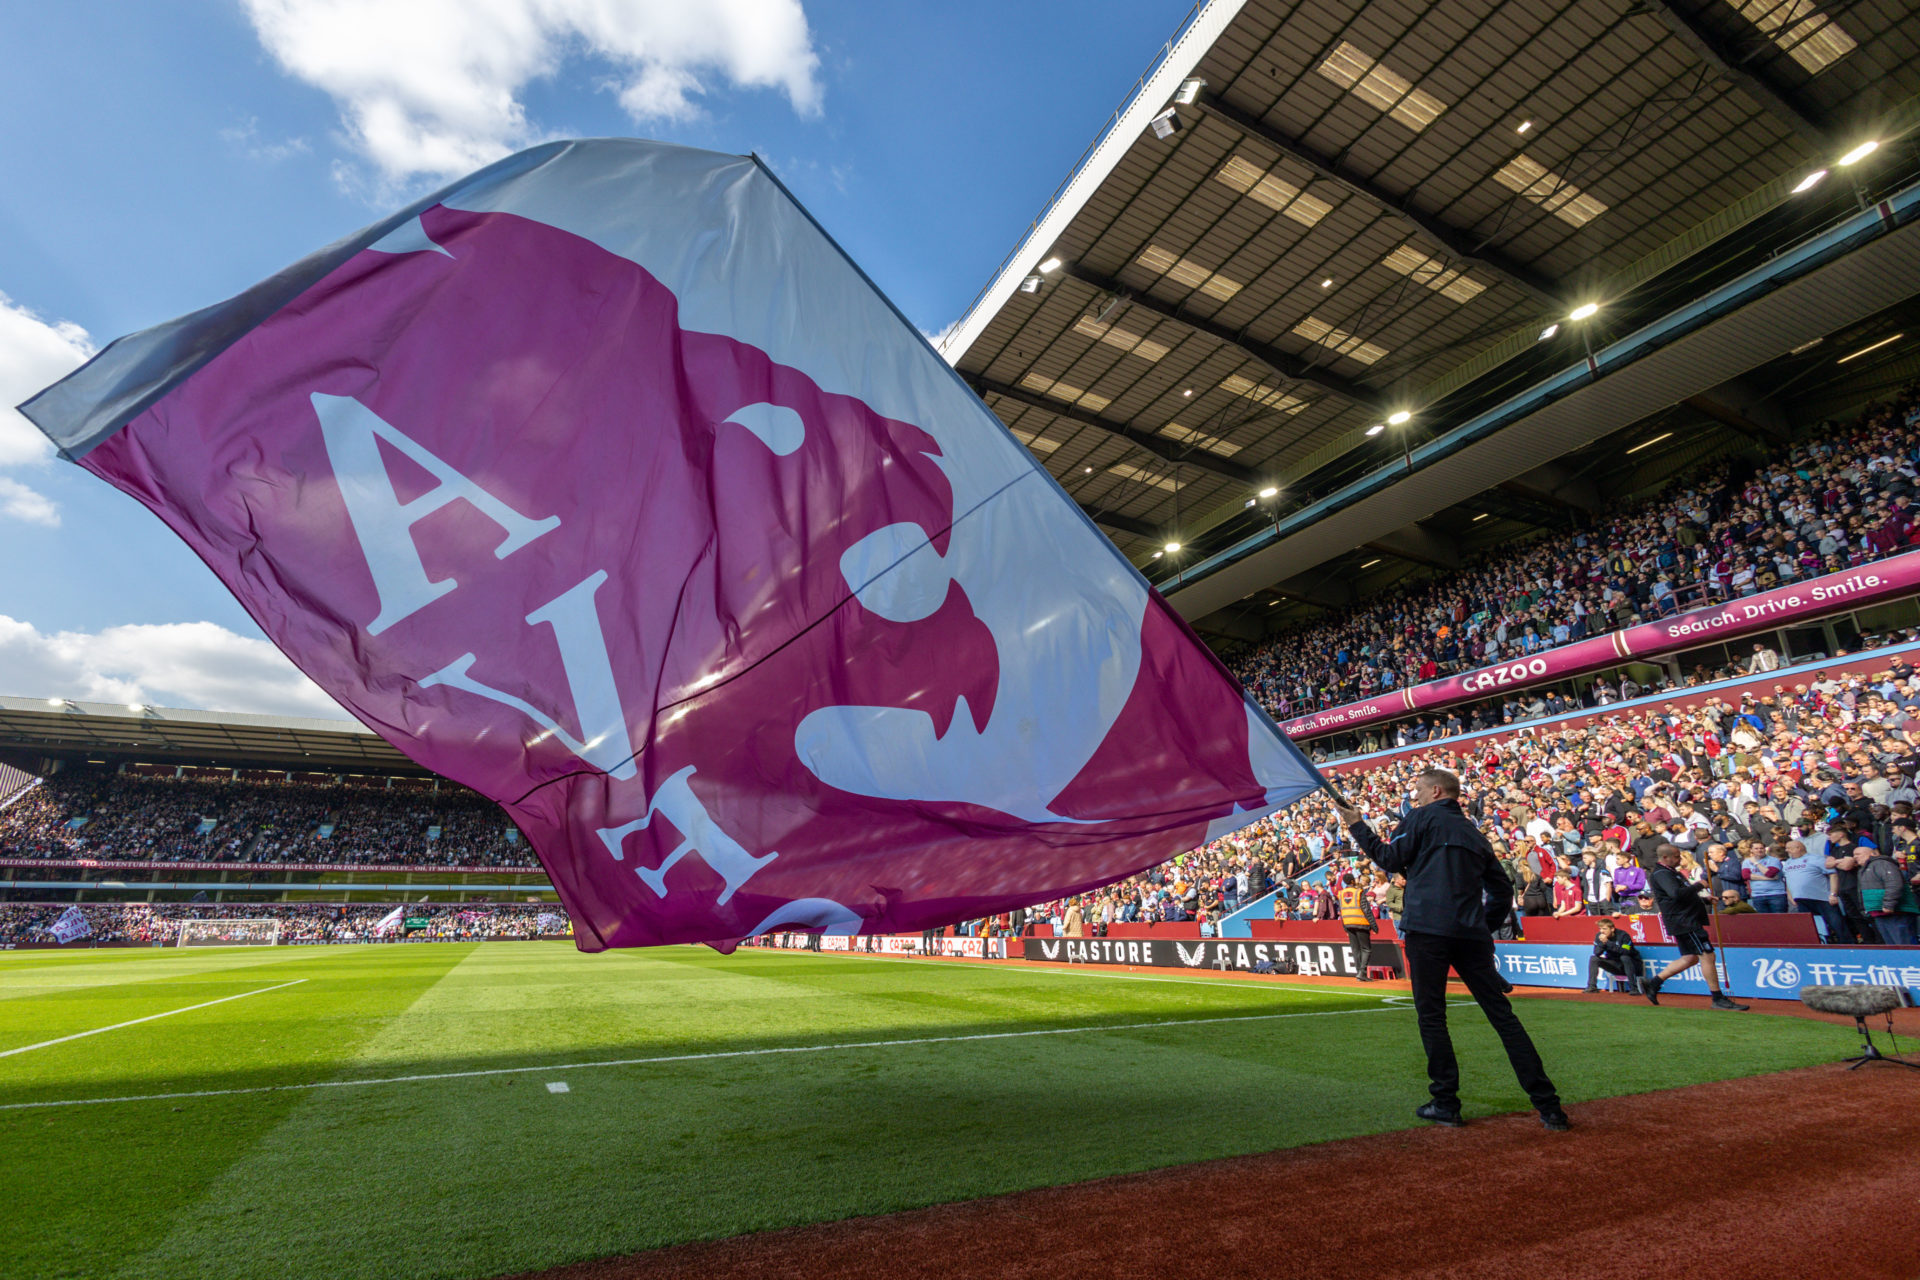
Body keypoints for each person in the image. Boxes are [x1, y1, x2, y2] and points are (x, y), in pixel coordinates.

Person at [1333, 769, 1568, 1131]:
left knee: (1432, 1017)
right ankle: (1548, 1105)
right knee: (1503, 1017)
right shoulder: (1475, 834)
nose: (1415, 796)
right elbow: (1503, 892)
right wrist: (1480, 926)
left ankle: (1446, 1101)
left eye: (1419, 790)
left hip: (1428, 930)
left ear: (1436, 791)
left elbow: (1390, 860)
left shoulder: (1421, 818)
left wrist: (1357, 825)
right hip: (1470, 933)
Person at [1643, 845, 1748, 1010]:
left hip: (1684, 919)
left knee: (1690, 958)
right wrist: (1700, 885)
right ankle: (1717, 998)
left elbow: (1681, 895)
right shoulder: (1662, 873)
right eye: (1677, 857)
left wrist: (1704, 900)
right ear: (1665, 857)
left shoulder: (1670, 872)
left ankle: (1654, 982)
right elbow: (1676, 894)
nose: (1680, 860)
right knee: (1707, 955)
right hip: (1684, 920)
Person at [1584, 918, 1645, 995]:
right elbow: (1596, 953)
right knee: (1594, 958)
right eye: (1600, 929)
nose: (1602, 931)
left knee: (1624, 957)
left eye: (1604, 929)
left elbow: (1625, 951)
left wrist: (1608, 942)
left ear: (1612, 929)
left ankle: (1634, 989)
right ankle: (1591, 987)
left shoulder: (1623, 935)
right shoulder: (1599, 936)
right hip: (1615, 965)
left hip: (1633, 965)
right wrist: (1603, 943)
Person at [1337, 874, 1376, 980]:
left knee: (1355, 949)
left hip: (1348, 923)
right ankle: (1362, 972)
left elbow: (1341, 910)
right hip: (1361, 922)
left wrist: (1344, 926)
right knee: (1366, 949)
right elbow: (1366, 909)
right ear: (1353, 881)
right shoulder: (1359, 892)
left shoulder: (1340, 894)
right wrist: (1374, 925)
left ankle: (1359, 972)